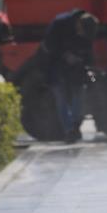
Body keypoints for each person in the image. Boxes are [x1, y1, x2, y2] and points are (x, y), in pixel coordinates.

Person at [42, 9, 99, 143]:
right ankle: (69, 130)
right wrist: (65, 55)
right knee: (60, 97)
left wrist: (88, 65)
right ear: (78, 24)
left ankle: (75, 126)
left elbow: (88, 50)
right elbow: (49, 45)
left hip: (76, 68)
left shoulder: (88, 28)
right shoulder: (60, 23)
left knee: (79, 94)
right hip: (56, 65)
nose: (81, 36)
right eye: (81, 33)